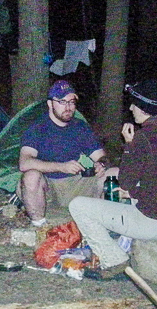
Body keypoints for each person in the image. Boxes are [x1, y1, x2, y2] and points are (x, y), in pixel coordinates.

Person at [69, 79, 157, 270]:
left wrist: (130, 145)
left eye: (134, 104)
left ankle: (113, 260)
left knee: (78, 206)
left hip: (155, 223)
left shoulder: (143, 137)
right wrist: (135, 193)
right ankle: (122, 242)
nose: (131, 108)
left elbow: (126, 181)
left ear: (144, 108)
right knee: (116, 179)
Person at [18, 80, 108, 227]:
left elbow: (101, 156)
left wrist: (101, 164)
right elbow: (25, 163)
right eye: (62, 101)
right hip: (48, 186)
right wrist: (61, 167)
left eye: (71, 102)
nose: (68, 107)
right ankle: (39, 226)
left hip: (77, 184)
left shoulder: (80, 127)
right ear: (50, 104)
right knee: (31, 176)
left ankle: (107, 224)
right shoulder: (37, 128)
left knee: (113, 174)